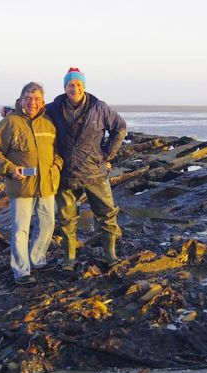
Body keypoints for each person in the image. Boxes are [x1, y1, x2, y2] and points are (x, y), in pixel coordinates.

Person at [46, 67, 127, 270]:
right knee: (66, 218)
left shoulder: (99, 107)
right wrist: (11, 110)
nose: (75, 88)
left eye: (78, 84)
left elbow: (120, 127)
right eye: (71, 85)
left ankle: (110, 255)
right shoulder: (54, 108)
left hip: (95, 172)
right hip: (66, 173)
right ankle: (68, 259)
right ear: (65, 87)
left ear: (84, 86)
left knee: (107, 214)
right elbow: (30, 112)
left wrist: (107, 154)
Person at [0, 82, 63, 284]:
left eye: (37, 98)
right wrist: (9, 168)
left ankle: (37, 258)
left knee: (47, 224)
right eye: (28, 98)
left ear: (42, 101)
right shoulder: (10, 122)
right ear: (20, 100)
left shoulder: (48, 121)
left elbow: (58, 151)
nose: (32, 102)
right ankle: (21, 271)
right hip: (21, 185)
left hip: (46, 184)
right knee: (21, 228)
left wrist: (57, 166)